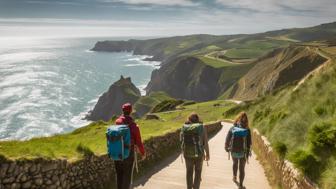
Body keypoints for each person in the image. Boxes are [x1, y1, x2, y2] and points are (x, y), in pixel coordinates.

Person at [114, 103, 146, 189]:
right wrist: (143, 153)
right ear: (131, 111)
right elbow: (138, 141)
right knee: (127, 178)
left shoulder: (117, 122)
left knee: (119, 176)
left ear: (122, 110)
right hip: (128, 153)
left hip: (117, 153)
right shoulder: (134, 125)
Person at [181, 113, 210, 189]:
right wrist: (207, 154)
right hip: (199, 154)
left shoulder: (184, 127)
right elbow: (205, 142)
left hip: (187, 153)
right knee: (198, 172)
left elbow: (181, 140)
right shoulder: (202, 127)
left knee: (189, 172)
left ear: (189, 119)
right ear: (198, 119)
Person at [225, 112, 252, 189]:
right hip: (243, 152)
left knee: (235, 163)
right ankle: (240, 185)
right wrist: (247, 154)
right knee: (242, 168)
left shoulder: (233, 128)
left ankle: (234, 176)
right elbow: (249, 143)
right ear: (246, 120)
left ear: (238, 118)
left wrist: (226, 147)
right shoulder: (247, 129)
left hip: (234, 150)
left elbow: (228, 138)